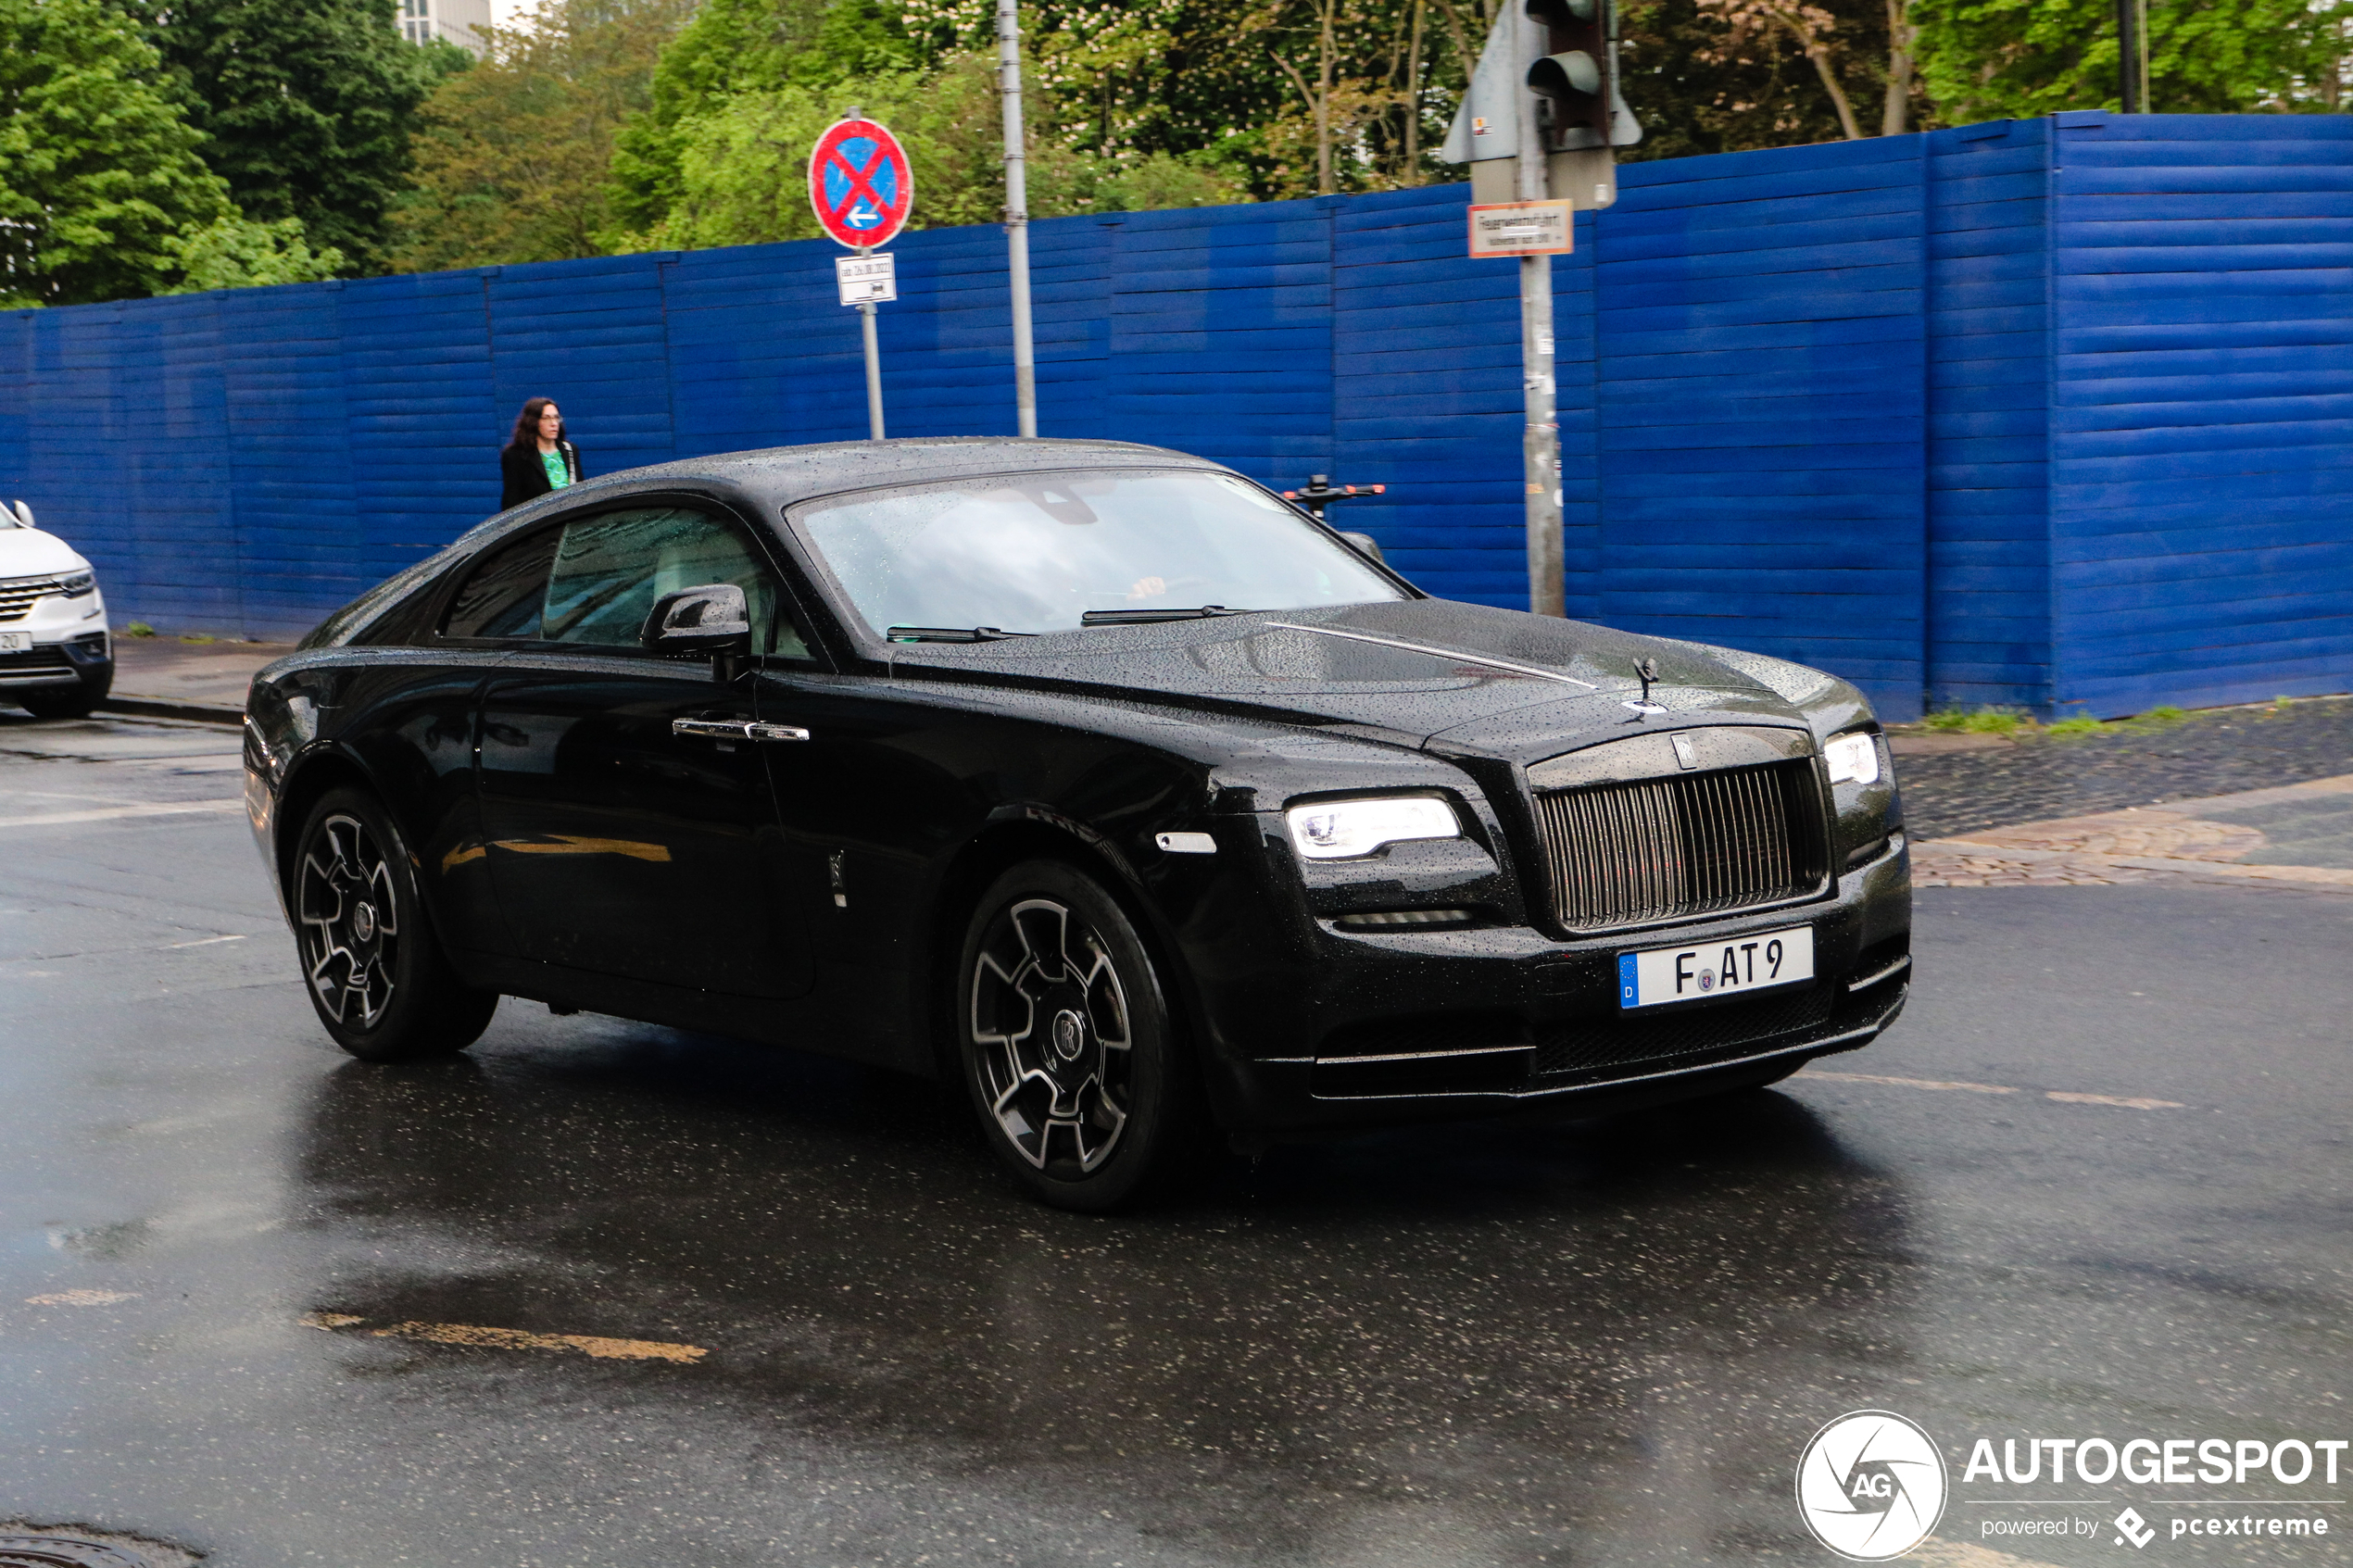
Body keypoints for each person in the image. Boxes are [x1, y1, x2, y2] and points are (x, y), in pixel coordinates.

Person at [499, 397, 582, 509]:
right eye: (546, 418)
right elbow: (511, 501)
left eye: (556, 418)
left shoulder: (570, 450)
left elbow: (582, 491)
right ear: (533, 422)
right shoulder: (515, 456)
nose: (553, 423)